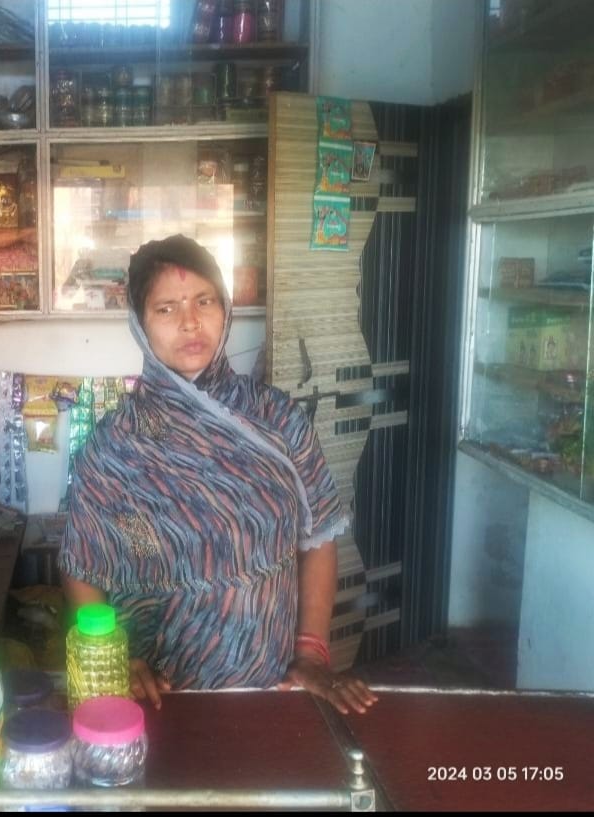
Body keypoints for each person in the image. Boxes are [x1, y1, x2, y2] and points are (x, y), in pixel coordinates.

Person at [59, 235, 377, 715]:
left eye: (204, 301)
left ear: (225, 308)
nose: (190, 322)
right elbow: (82, 566)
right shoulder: (115, 446)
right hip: (160, 698)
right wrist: (114, 659)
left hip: (268, 690)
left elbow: (319, 537)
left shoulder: (278, 419)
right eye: (166, 308)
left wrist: (311, 653)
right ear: (140, 325)